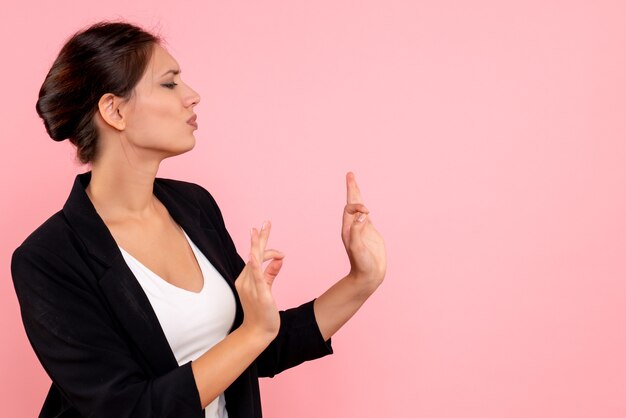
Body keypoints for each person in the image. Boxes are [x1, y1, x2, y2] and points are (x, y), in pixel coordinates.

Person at [11, 21, 386, 418]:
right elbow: (129, 410)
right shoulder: (47, 259)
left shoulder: (195, 206)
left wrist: (362, 279)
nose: (193, 97)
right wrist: (253, 332)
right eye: (170, 83)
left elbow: (258, 347)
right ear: (115, 110)